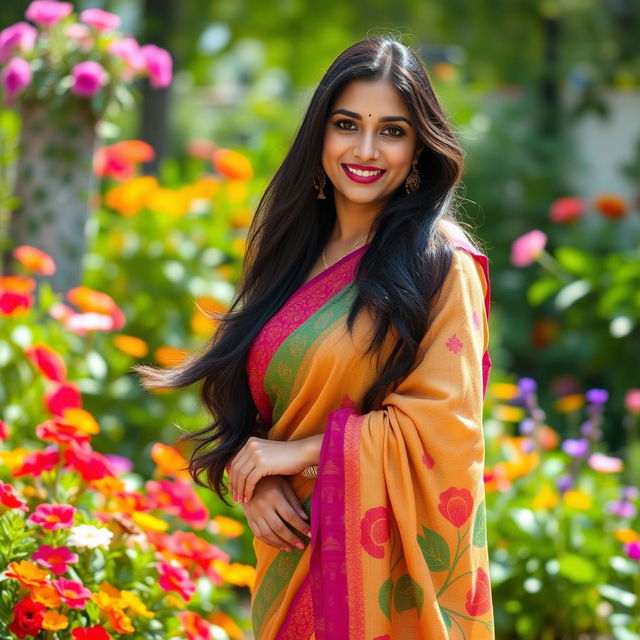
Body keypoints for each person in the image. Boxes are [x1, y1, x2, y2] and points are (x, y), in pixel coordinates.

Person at [137, 36, 494, 640]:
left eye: (391, 131)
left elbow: (447, 424)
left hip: (387, 573)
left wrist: (300, 455)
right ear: (319, 135)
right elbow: (263, 402)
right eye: (347, 124)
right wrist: (257, 479)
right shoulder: (293, 252)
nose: (364, 150)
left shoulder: (441, 264)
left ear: (418, 148)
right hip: (292, 549)